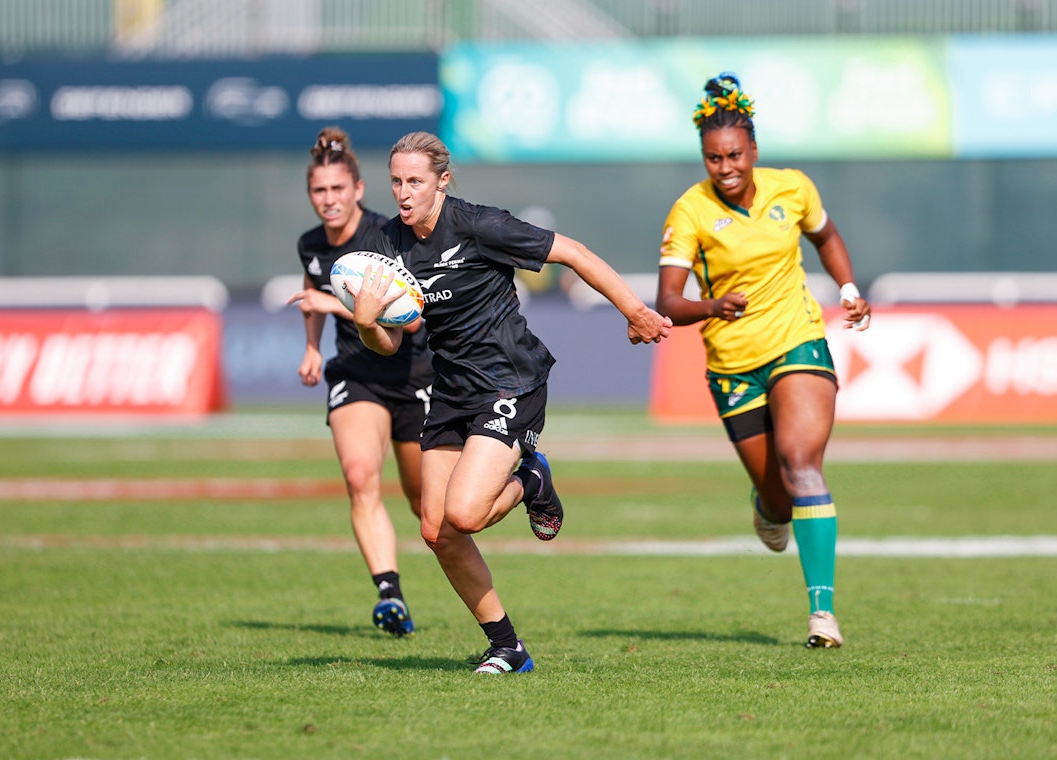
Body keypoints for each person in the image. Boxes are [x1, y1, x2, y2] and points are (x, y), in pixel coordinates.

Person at [349, 131, 672, 674]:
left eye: (416, 182)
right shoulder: (387, 244)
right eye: (397, 182)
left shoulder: (479, 225)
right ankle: (507, 647)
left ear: (442, 182)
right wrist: (366, 324)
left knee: (465, 514)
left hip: (510, 380)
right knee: (436, 531)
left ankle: (531, 479)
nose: (403, 193)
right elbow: (392, 342)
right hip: (451, 390)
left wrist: (635, 311)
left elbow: (573, 253)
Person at [654, 73, 872, 649]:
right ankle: (768, 508)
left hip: (798, 341)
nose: (725, 168)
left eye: (734, 155)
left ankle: (822, 613)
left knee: (802, 463)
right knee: (778, 498)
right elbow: (668, 302)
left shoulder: (793, 189)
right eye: (713, 158)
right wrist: (713, 306)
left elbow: (826, 237)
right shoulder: (690, 211)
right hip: (732, 365)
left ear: (753, 149)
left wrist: (848, 289)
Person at [288, 127, 434, 638]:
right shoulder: (310, 245)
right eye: (318, 191)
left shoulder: (385, 236)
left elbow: (410, 320)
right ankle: (389, 593)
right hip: (356, 374)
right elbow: (312, 293)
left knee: (426, 505)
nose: (328, 200)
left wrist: (335, 305)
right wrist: (312, 346)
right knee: (358, 476)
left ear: (358, 189)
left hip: (411, 374)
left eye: (337, 189)